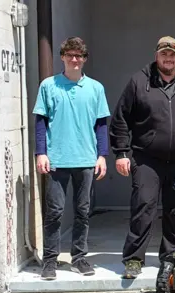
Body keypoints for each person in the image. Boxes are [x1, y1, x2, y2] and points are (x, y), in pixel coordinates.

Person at [109, 36, 175, 280]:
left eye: (172, 54)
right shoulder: (139, 82)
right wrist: (121, 153)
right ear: (156, 56)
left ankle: (171, 256)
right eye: (164, 54)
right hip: (147, 158)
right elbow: (120, 120)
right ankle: (134, 259)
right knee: (143, 206)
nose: (168, 58)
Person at [33, 37, 110, 280]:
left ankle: (79, 258)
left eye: (79, 56)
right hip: (57, 159)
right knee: (54, 211)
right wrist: (41, 152)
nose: (74, 59)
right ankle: (50, 261)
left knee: (82, 211)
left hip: (86, 159)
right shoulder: (49, 85)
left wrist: (102, 155)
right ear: (62, 57)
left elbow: (101, 124)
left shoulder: (95, 88)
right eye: (70, 55)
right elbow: (40, 122)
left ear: (85, 59)